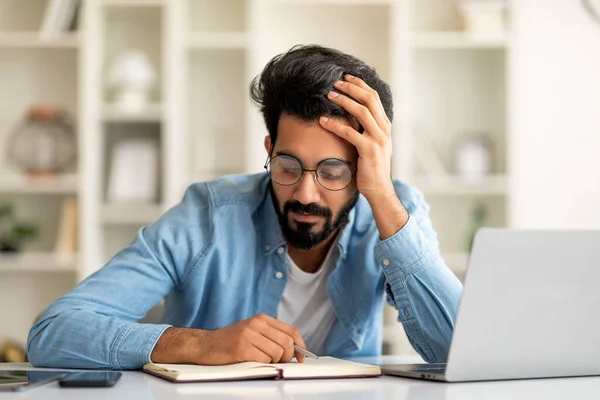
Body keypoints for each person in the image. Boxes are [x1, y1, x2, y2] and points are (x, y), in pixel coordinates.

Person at [27, 45, 462, 370]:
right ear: (270, 150)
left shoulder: (394, 211)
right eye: (288, 166)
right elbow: (55, 331)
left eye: (333, 172)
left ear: (366, 165)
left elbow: (455, 352)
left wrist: (382, 195)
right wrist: (202, 345)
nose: (306, 195)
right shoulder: (210, 214)